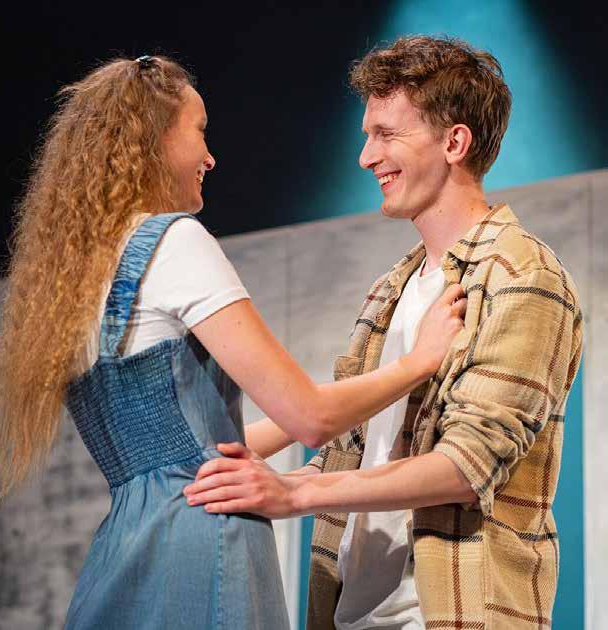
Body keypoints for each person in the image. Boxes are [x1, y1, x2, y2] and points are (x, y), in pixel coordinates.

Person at [0, 54, 467, 629]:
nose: (210, 157)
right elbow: (311, 418)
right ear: (153, 140)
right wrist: (419, 361)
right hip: (203, 542)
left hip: (120, 551)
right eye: (199, 131)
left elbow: (195, 449)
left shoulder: (74, 282)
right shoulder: (175, 241)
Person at [185, 36, 584, 630]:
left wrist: (293, 495)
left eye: (386, 134)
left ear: (454, 143)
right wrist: (267, 482)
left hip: (450, 614)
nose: (366, 157)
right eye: (367, 135)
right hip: (352, 613)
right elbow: (353, 453)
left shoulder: (523, 276)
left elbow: (466, 468)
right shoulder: (390, 289)